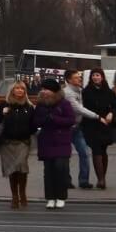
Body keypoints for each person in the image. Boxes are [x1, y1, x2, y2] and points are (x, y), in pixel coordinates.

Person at [32, 77, 78, 209]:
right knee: (49, 171)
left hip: (61, 141)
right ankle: (50, 197)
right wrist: (42, 120)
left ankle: (61, 196)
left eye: (47, 89)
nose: (44, 91)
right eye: (43, 89)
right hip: (46, 141)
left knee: (60, 169)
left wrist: (55, 118)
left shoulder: (64, 104)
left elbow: (70, 120)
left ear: (54, 91)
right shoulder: (41, 105)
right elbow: (35, 121)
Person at [0, 80, 36, 209]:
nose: (19, 91)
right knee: (12, 170)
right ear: (12, 91)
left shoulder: (29, 106)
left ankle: (22, 193)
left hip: (23, 142)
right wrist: (3, 113)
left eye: (22, 89)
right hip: (7, 143)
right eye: (17, 88)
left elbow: (33, 125)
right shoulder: (5, 104)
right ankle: (14, 196)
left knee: (21, 168)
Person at [81, 68, 116, 189]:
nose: (95, 77)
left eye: (97, 75)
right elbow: (84, 108)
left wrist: (111, 113)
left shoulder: (108, 92)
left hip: (105, 124)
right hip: (92, 124)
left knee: (103, 150)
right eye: (93, 75)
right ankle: (101, 180)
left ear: (102, 77)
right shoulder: (86, 92)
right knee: (96, 149)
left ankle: (103, 177)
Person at [63, 69, 96, 190]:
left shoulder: (80, 91)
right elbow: (78, 109)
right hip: (66, 128)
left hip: (77, 127)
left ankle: (83, 180)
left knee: (85, 153)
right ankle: (66, 180)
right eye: (77, 77)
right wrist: (96, 116)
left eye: (80, 77)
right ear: (69, 80)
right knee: (65, 155)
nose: (80, 79)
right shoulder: (67, 93)